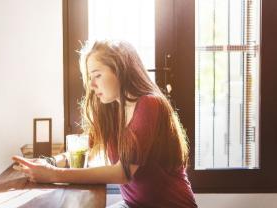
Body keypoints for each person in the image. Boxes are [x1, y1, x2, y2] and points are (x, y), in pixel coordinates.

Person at [12, 40, 197, 208]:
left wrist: (53, 174)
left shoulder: (150, 104)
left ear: (121, 70)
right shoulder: (112, 110)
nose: (91, 85)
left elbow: (123, 172)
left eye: (97, 75)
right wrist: (48, 162)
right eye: (89, 78)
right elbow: (82, 149)